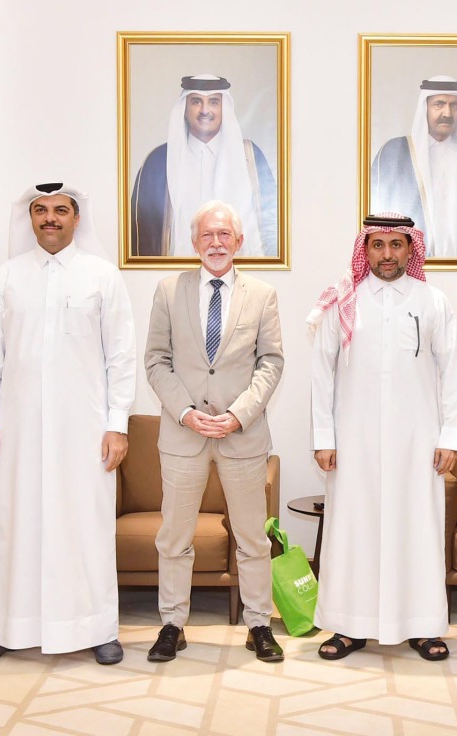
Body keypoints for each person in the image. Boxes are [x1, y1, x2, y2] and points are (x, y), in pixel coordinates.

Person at [0, 183, 136, 665]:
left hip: (84, 432)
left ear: (76, 218)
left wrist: (117, 424)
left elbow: (121, 357)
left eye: (60, 210)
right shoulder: (6, 278)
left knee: (86, 525)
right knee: (11, 525)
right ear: (30, 218)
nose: (50, 218)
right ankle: (4, 628)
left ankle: (97, 627)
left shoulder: (102, 277)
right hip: (17, 432)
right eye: (40, 210)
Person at [308, 213, 457, 661]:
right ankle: (348, 625)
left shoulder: (433, 301)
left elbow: (451, 374)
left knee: (418, 529)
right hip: (353, 441)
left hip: (418, 442)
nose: (387, 254)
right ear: (365, 249)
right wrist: (323, 436)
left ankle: (421, 625)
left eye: (397, 245)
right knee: (352, 530)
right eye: (378, 245)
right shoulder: (344, 302)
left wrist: (450, 436)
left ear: (411, 249)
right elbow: (322, 373)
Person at [143, 200, 285, 663]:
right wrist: (185, 412)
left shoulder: (262, 295)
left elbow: (271, 363)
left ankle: (259, 625)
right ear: (194, 242)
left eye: (225, 235)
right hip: (183, 435)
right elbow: (156, 360)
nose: (217, 243)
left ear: (239, 242)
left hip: (241, 436)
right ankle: (172, 624)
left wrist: (238, 414)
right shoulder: (168, 290)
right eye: (208, 235)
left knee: (252, 537)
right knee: (175, 536)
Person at [130, 74, 278, 257]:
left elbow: (272, 227)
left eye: (214, 102)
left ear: (225, 108)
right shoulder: (158, 162)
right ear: (184, 108)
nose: (205, 110)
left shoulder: (250, 157)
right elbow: (141, 235)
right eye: (196, 102)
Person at [370, 76, 457, 259]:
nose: (448, 113)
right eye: (439, 104)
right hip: (408, 272)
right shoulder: (394, 153)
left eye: (454, 105)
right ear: (425, 108)